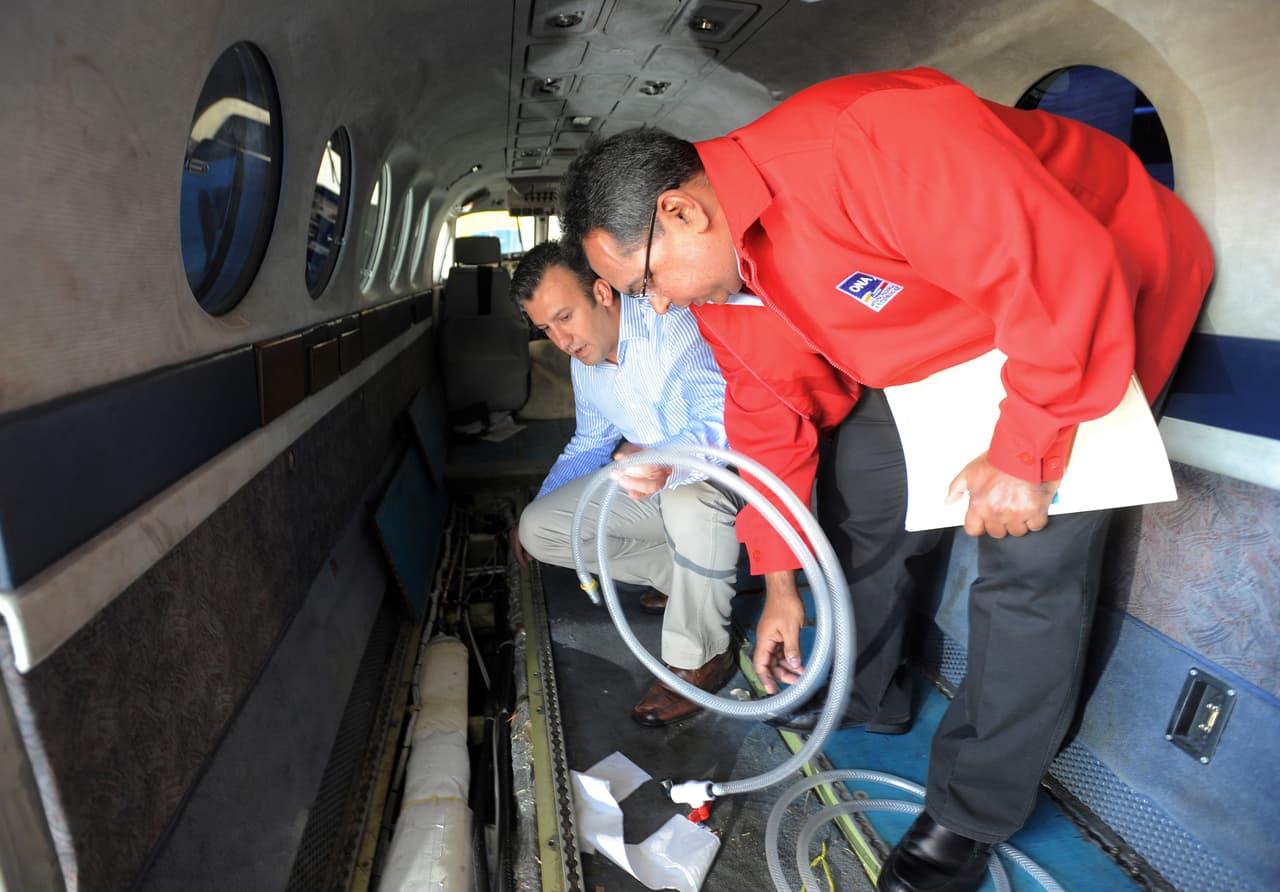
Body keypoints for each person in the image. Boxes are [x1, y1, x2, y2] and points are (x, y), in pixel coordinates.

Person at [558, 67, 1214, 892]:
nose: (652, 309)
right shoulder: (721, 282)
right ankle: (866, 692)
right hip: (941, 336)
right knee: (863, 492)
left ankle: (969, 814)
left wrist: (1023, 451)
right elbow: (773, 419)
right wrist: (784, 581)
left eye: (644, 283)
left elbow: (1059, 270)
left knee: (1030, 558)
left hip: (1090, 295)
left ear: (681, 212)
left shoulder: (867, 143)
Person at [509, 241, 743, 727]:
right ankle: (686, 587)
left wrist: (665, 463)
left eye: (565, 317)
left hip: (716, 475)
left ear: (601, 291)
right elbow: (591, 440)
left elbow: (719, 423)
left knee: (689, 500)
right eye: (546, 329)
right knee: (540, 529)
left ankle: (701, 657)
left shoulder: (671, 322)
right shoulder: (585, 362)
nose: (561, 339)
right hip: (648, 482)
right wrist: (543, 499)